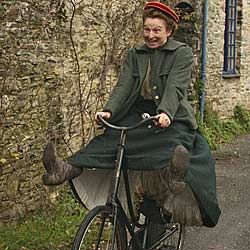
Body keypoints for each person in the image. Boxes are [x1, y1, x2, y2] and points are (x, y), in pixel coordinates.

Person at [42, 2, 221, 234]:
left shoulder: (182, 53)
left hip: (172, 115)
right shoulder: (135, 54)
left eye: (157, 30)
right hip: (138, 112)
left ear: (169, 31)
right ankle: (67, 169)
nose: (151, 35)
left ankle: (175, 176)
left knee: (170, 145)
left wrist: (165, 112)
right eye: (147, 29)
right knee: (111, 138)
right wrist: (109, 111)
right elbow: (124, 85)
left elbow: (175, 87)